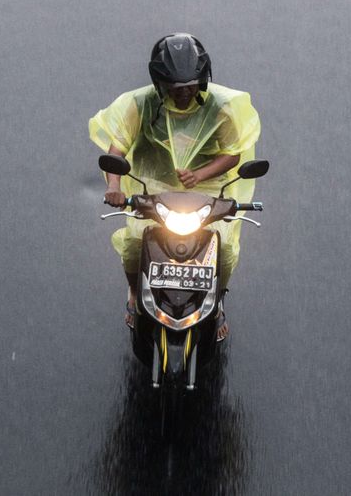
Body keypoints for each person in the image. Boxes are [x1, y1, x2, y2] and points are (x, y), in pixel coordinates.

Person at [89, 33, 261, 340]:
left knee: (226, 248)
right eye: (176, 87)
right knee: (131, 243)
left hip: (206, 188)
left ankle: (217, 300)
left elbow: (232, 154)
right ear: (160, 83)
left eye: (191, 85)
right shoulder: (141, 106)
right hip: (154, 186)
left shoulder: (220, 109)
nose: (184, 93)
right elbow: (116, 152)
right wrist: (114, 187)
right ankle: (133, 290)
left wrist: (200, 174)